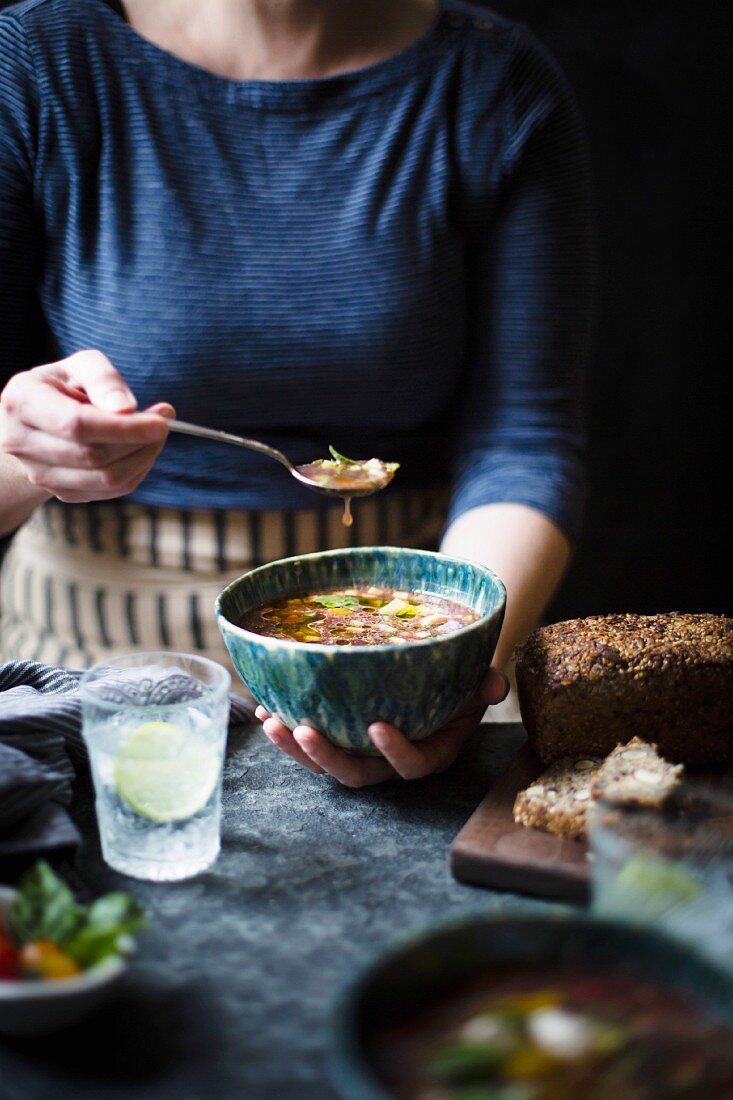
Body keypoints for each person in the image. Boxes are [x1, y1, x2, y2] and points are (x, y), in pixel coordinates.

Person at [0, 0, 593, 785]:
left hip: (417, 636)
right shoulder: (35, 62)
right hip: (100, 671)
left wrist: (441, 672)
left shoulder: (491, 80)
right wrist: (25, 458)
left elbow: (525, 439)